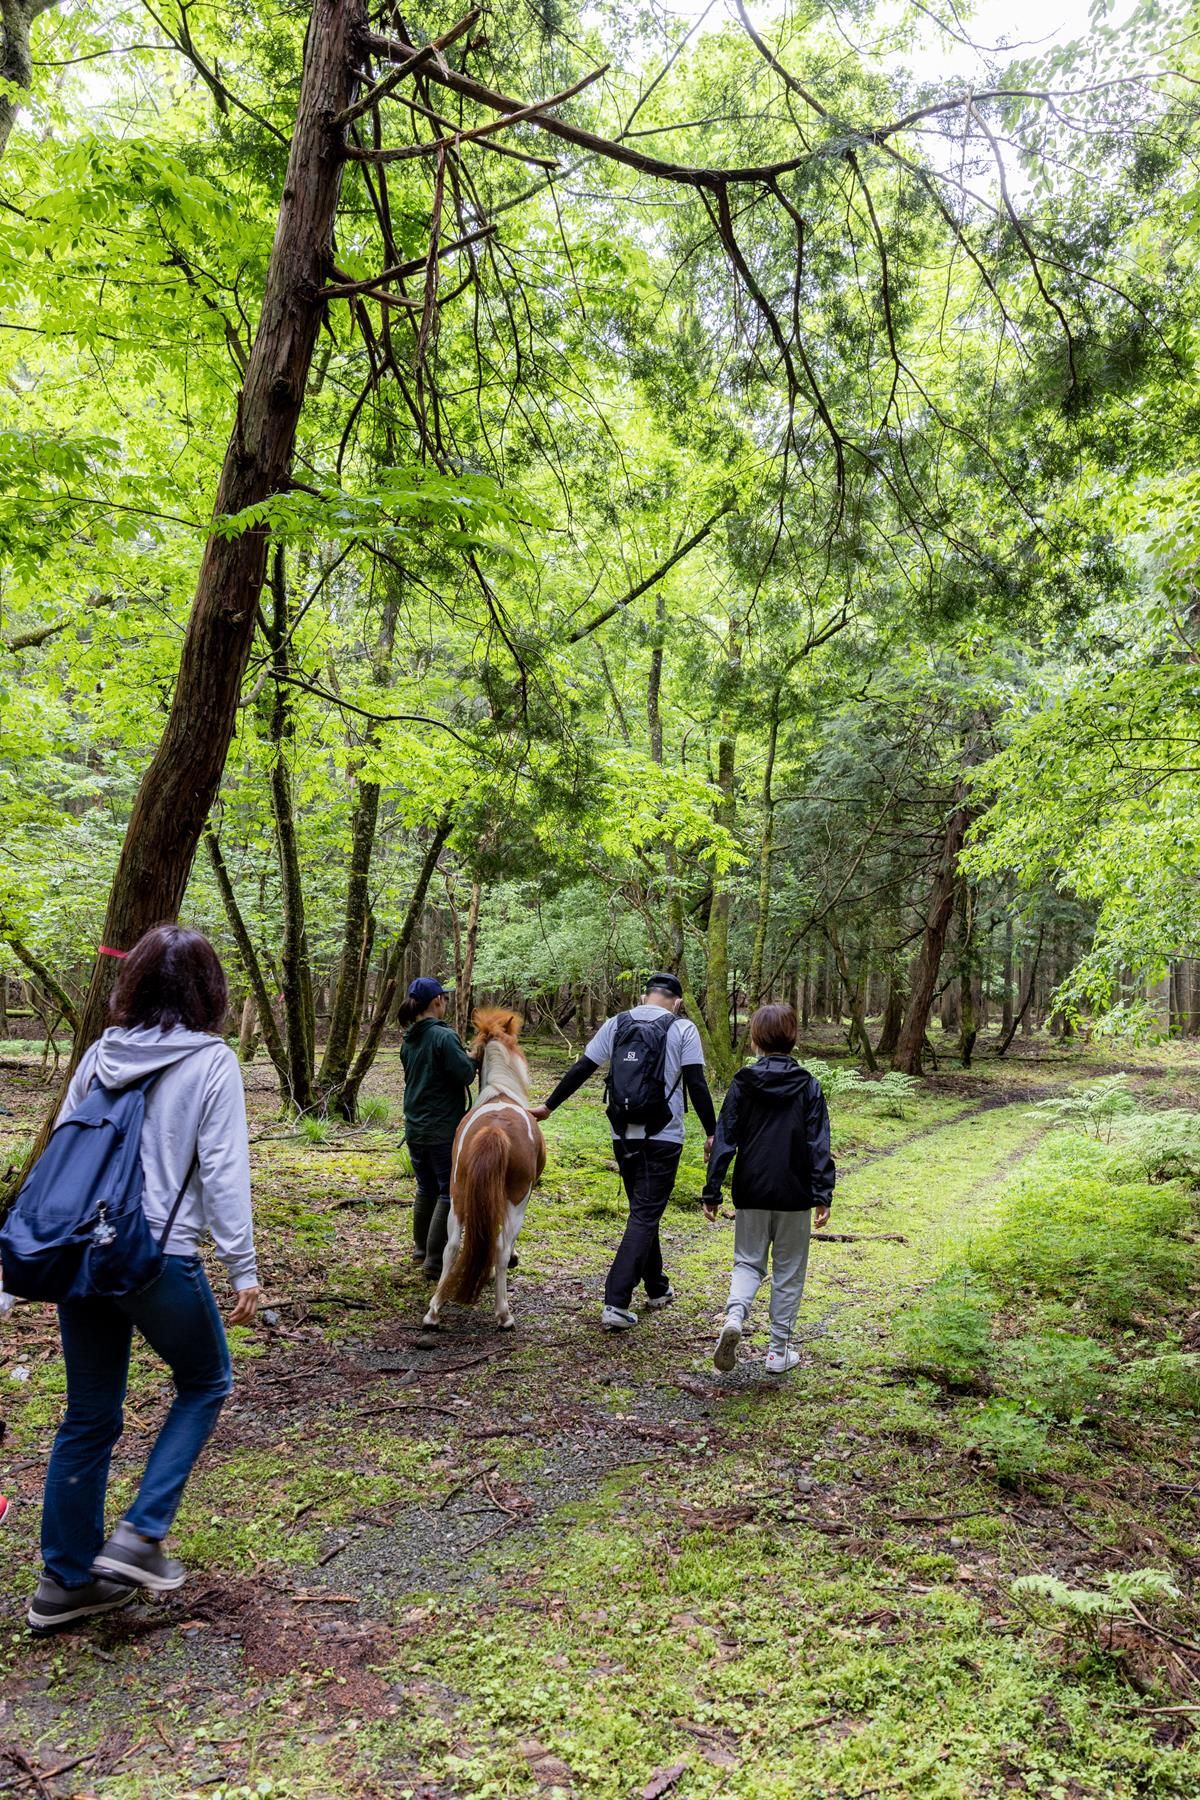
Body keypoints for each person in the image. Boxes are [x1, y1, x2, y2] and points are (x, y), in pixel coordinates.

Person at [29, 925, 259, 1633]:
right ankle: (140, 1533)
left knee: (89, 1414)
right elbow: (222, 1168)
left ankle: (63, 1582)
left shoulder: (100, 1054)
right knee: (207, 1380)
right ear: (209, 990)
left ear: (131, 985)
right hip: (158, 1257)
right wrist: (243, 1267)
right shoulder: (212, 1061)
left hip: (85, 1254)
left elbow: (64, 1150)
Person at [530, 973, 717, 1331]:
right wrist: (713, 1132)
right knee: (645, 1214)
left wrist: (549, 1106)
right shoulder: (683, 1029)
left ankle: (657, 1288)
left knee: (643, 1212)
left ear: (644, 996)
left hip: (622, 1133)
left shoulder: (617, 1023)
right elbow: (696, 1082)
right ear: (677, 1001)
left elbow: (583, 1067)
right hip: (664, 1135)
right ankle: (616, 1302)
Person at [701, 1001, 833, 1376]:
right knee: (788, 1271)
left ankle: (735, 1316)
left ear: (756, 1038)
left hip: (752, 1187)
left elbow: (724, 1139)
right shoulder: (809, 1085)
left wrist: (712, 1190)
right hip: (795, 1192)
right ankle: (778, 1352)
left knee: (747, 1261)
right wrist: (823, 1193)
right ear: (792, 1038)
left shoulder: (744, 1081)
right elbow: (817, 1143)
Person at [398, 976, 478, 1278]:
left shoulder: (410, 1038)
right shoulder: (443, 1037)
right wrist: (474, 1058)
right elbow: (464, 1075)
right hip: (442, 1129)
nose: (445, 1003)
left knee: (426, 1188)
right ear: (436, 1002)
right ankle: (434, 1260)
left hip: (416, 1129)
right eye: (444, 998)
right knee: (448, 1193)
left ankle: (420, 1251)